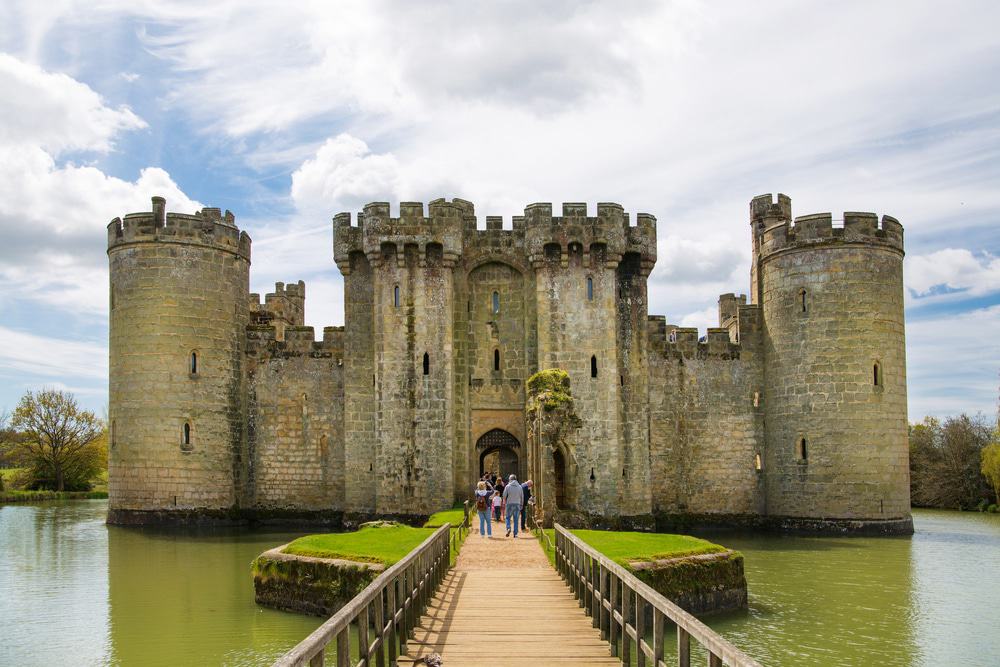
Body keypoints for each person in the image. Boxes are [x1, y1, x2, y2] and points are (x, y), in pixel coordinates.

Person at [502, 473, 524, 537]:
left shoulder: (508, 486)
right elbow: (522, 497)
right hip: (517, 504)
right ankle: (515, 534)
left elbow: (504, 496)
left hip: (509, 504)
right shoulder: (520, 487)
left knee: (508, 517)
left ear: (510, 479)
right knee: (516, 519)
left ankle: (508, 528)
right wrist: (521, 504)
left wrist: (504, 503)